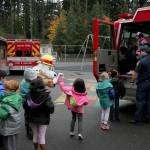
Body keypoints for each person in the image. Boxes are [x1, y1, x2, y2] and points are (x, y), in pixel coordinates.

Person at [23, 76, 54, 150]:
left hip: (31, 118)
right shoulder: (46, 95)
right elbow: (50, 108)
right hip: (43, 119)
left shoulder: (28, 95)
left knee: (35, 135)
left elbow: (25, 106)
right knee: (42, 136)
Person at [58, 73, 88, 140]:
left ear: (74, 84)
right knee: (80, 120)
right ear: (83, 86)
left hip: (73, 108)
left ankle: (71, 132)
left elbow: (62, 87)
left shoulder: (70, 90)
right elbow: (86, 102)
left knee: (73, 118)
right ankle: (80, 134)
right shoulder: (84, 94)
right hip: (80, 109)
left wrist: (60, 78)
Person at [0, 80, 23, 150]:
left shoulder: (9, 101)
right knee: (11, 144)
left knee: (9, 146)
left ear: (10, 90)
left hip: (9, 127)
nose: (3, 90)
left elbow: (3, 115)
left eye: (5, 89)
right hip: (14, 125)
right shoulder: (16, 96)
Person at [130, 44, 150, 124]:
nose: (139, 53)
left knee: (140, 101)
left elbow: (135, 74)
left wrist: (132, 81)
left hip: (143, 84)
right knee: (149, 102)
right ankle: (148, 118)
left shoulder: (141, 61)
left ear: (144, 52)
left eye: (140, 51)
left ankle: (137, 119)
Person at [20, 68, 38, 140]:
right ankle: (34, 132)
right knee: (34, 116)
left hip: (26, 103)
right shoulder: (35, 83)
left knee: (27, 116)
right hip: (34, 103)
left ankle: (29, 132)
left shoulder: (22, 82)